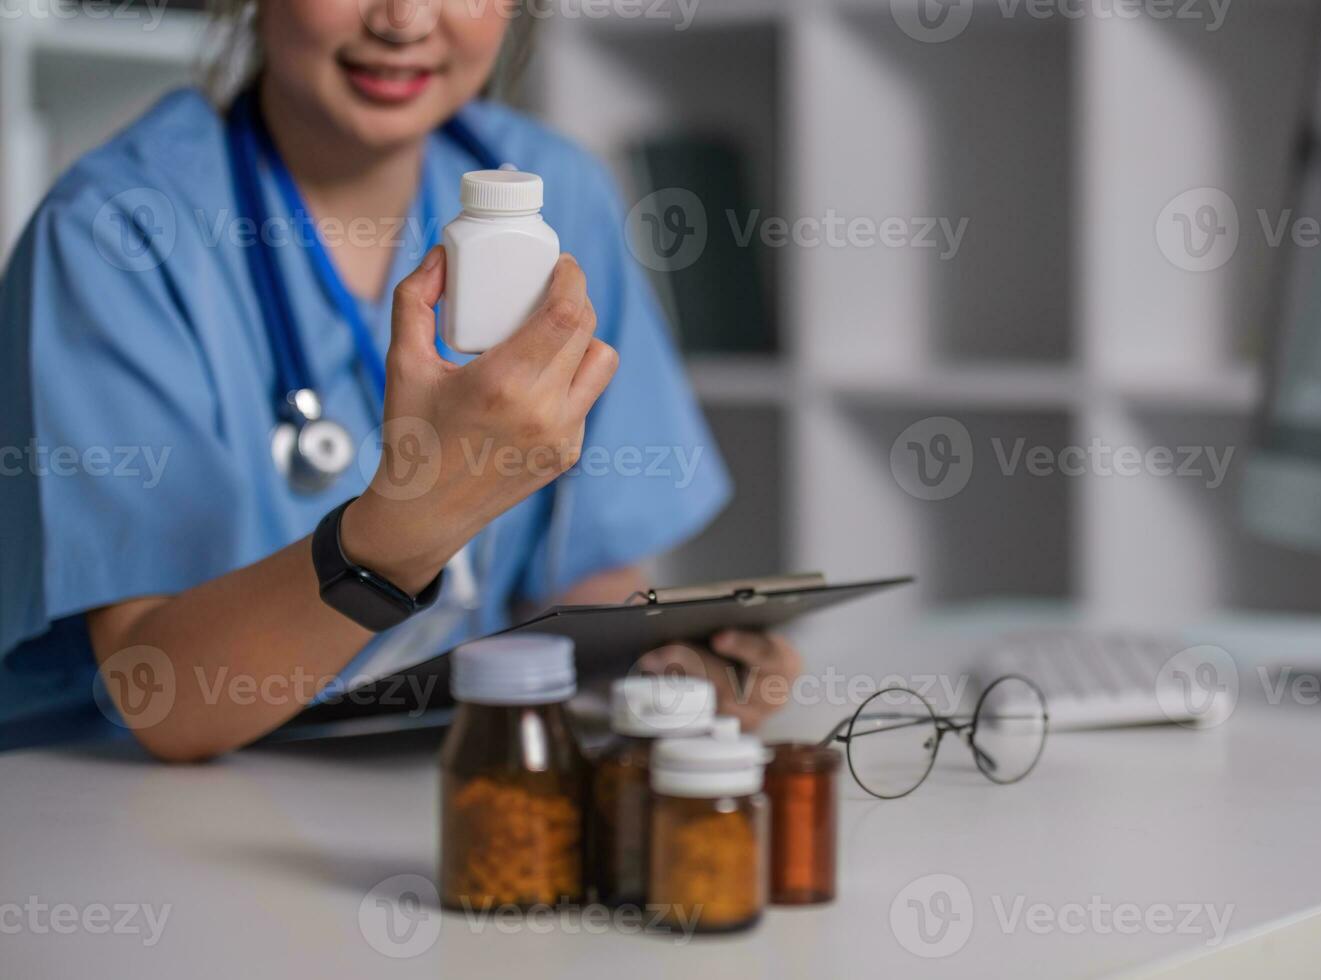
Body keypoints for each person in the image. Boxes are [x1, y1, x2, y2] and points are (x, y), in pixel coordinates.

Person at [0, 0, 800, 759]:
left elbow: (582, 567)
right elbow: (161, 699)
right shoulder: (117, 231)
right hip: (130, 809)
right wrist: (401, 532)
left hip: (433, 772)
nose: (405, 22)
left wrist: (660, 664)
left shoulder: (561, 199)